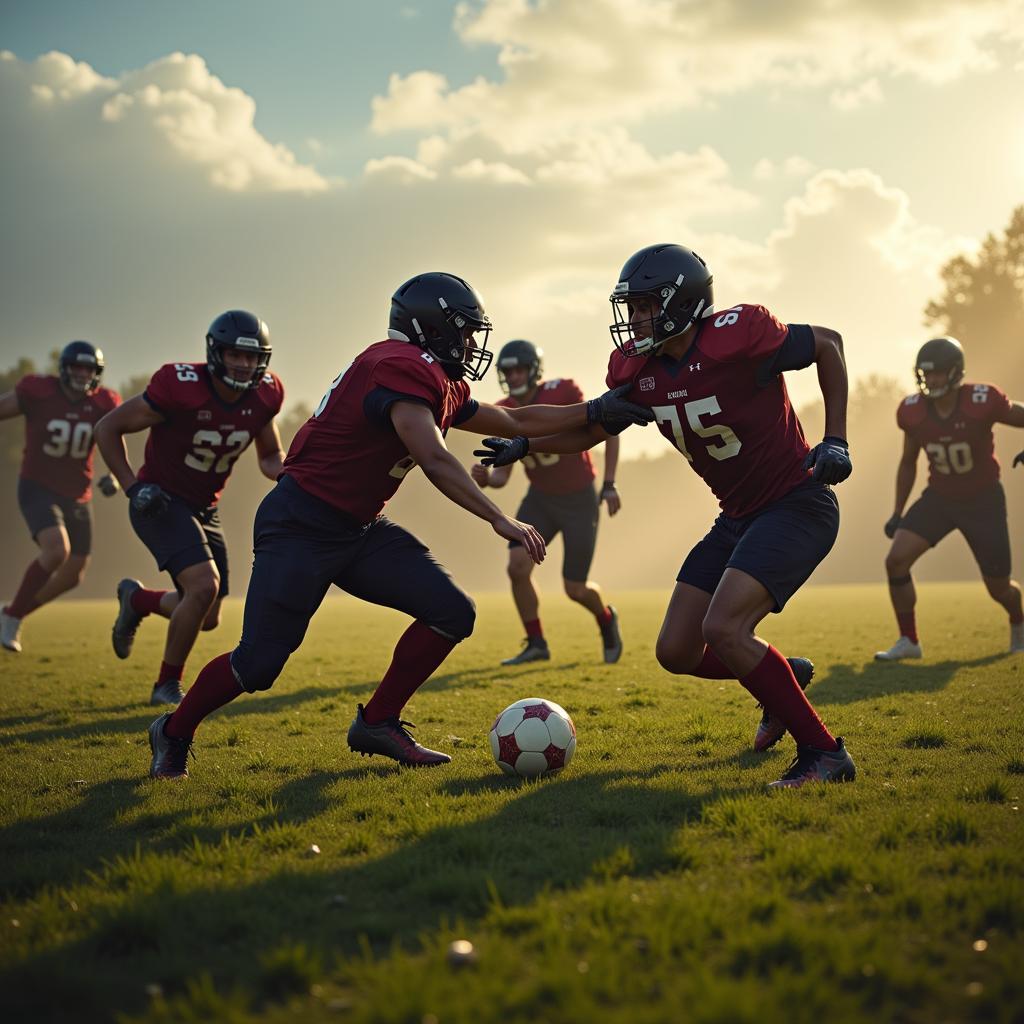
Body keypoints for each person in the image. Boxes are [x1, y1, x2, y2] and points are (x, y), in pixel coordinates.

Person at [145, 272, 652, 779]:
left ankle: (379, 720)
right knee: (257, 665)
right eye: (463, 330)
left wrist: (594, 410)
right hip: (300, 524)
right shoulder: (398, 366)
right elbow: (431, 455)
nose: (472, 343)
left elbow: (515, 422)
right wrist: (499, 517)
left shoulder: (436, 377)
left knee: (451, 612)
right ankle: (173, 730)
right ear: (430, 327)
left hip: (357, 529)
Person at [476, 243, 857, 789]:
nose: (634, 321)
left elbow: (829, 344)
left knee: (723, 627)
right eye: (630, 309)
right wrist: (524, 441)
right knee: (676, 650)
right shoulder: (640, 368)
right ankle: (781, 680)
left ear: (682, 301)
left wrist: (836, 439)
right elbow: (596, 426)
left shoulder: (738, 334)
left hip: (796, 502)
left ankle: (824, 753)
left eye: (644, 306)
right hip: (739, 515)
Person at [95, 311, 285, 704]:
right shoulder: (180, 387)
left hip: (204, 507)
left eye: (253, 357)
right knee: (202, 587)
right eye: (237, 354)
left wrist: (293, 473)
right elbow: (107, 427)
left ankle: (138, 600)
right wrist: (132, 487)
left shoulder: (264, 395)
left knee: (208, 614)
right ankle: (166, 684)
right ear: (216, 352)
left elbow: (270, 456)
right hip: (159, 499)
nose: (245, 364)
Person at [472, 338, 624, 665]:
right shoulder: (502, 410)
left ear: (534, 370)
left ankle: (607, 618)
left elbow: (609, 428)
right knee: (516, 567)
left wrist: (609, 483)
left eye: (518, 369)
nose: (512, 377)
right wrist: (487, 478)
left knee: (575, 588)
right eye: (507, 371)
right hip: (540, 499)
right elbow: (502, 477)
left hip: (579, 499)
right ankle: (537, 642)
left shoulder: (563, 391)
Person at [875, 336, 1024, 660]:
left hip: (983, 500)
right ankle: (909, 641)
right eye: (927, 374)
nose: (932, 380)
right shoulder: (912, 411)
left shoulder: (981, 400)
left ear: (956, 373)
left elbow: (1020, 415)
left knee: (999, 588)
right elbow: (908, 461)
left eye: (938, 373)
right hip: (940, 498)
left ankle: (1018, 619)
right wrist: (898, 511)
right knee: (896, 560)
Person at [0, 341, 121, 652]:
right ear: (64, 369)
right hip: (38, 485)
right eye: (77, 367)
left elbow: (115, 435)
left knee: (73, 574)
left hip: (78, 495)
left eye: (89, 368)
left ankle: (12, 611)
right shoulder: (39, 392)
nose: (83, 374)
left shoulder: (104, 403)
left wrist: (117, 475)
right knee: (57, 551)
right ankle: (12, 619)